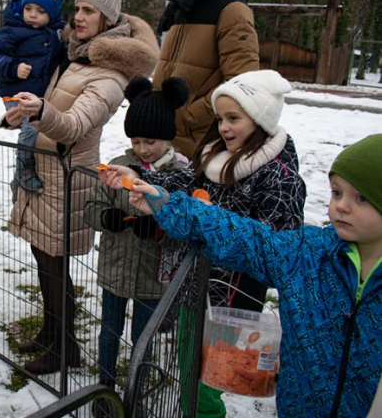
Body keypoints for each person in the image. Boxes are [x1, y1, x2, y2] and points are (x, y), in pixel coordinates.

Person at [107, 134, 382, 418]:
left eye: (361, 198)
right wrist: (166, 205)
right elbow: (246, 239)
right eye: (337, 193)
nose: (342, 206)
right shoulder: (309, 253)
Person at [103, 69, 306, 417]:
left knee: (207, 385)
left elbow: (276, 246)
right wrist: (141, 177)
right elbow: (182, 180)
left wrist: (210, 218)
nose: (224, 127)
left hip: (232, 301)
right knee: (188, 372)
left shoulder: (279, 177)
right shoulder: (215, 156)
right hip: (192, 287)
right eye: (220, 118)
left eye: (234, 118)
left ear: (260, 118)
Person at [1, 0, 159, 375]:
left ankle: (64, 348)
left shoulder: (110, 76)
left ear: (107, 18)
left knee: (55, 264)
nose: (79, 16)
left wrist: (40, 111)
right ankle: (53, 334)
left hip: (67, 180)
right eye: (78, 9)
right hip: (46, 174)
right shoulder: (78, 56)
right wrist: (19, 114)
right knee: (43, 258)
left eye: (89, 10)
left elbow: (72, 126)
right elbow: (49, 103)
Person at [83, 75, 189, 417]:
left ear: (167, 138)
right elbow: (91, 207)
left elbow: (188, 223)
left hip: (152, 275)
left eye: (151, 141)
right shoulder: (118, 165)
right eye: (137, 140)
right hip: (116, 267)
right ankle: (105, 390)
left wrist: (160, 228)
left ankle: (135, 395)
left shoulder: (180, 174)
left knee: (142, 339)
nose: (143, 149)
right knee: (109, 332)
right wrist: (105, 218)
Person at [153, 0, 260, 157]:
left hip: (201, 146)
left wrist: (191, 115)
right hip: (168, 140)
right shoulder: (184, 4)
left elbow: (242, 84)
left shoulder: (231, 9)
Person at [0, 0, 67, 193]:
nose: (33, 15)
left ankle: (20, 183)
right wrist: (13, 68)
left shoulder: (55, 33)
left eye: (41, 11)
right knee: (31, 129)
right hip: (16, 92)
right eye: (28, 9)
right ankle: (23, 170)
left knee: (42, 131)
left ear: (52, 14)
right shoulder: (11, 30)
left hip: (39, 94)